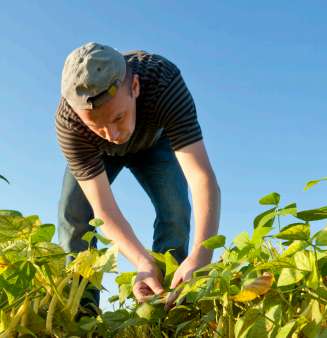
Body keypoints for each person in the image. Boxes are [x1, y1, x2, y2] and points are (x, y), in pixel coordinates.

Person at [56, 42, 221, 312]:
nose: (112, 135)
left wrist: (201, 256)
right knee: (73, 215)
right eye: (97, 125)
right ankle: (81, 318)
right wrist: (142, 261)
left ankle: (169, 310)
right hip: (97, 154)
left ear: (134, 87)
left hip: (155, 144)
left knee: (175, 209)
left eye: (118, 117)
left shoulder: (163, 82)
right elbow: (104, 210)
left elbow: (201, 177)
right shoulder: (69, 123)